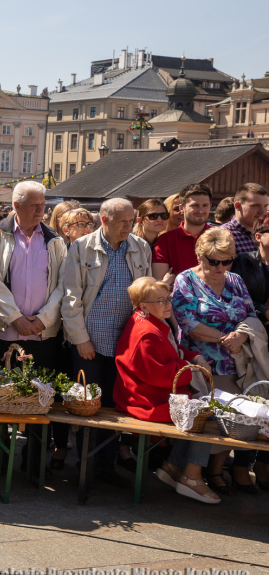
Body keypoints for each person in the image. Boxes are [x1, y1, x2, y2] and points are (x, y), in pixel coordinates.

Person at [62, 197, 152, 480]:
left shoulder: (140, 247)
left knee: (115, 406)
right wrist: (80, 339)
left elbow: (145, 294)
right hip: (91, 340)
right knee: (88, 406)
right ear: (104, 220)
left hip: (126, 342)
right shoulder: (82, 247)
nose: (129, 226)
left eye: (131, 221)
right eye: (123, 222)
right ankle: (85, 467)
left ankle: (107, 467)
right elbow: (71, 297)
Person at [0, 181, 68, 468]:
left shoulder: (54, 240)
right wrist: (15, 317)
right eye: (34, 205)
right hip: (6, 332)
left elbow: (62, 286)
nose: (41, 210)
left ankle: (33, 463)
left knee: (40, 400)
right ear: (16, 206)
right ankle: (1, 459)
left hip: (43, 335)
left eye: (43, 205)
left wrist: (42, 320)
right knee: (2, 396)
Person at [114, 277, 219, 504]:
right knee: (206, 416)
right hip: (146, 401)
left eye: (168, 298)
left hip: (150, 394)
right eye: (160, 300)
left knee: (201, 412)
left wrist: (194, 358)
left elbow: (171, 353)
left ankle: (172, 467)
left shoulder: (150, 321)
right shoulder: (146, 332)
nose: (167, 304)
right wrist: (193, 369)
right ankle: (191, 477)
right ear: (143, 306)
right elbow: (160, 373)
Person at [172, 228, 257, 495]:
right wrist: (224, 338)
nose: (220, 267)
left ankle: (214, 471)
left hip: (236, 363)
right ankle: (190, 475)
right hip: (202, 364)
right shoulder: (186, 279)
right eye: (213, 261)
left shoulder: (235, 280)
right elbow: (188, 324)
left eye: (226, 260)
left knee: (232, 421)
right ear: (200, 255)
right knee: (206, 423)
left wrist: (241, 336)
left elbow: (251, 314)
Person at [229, 214, 269, 490]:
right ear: (259, 236)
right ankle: (241, 464)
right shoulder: (244, 263)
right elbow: (238, 301)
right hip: (251, 342)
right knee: (253, 403)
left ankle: (265, 465)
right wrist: (265, 312)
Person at [153, 183, 212, 283]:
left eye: (205, 205)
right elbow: (161, 283)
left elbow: (224, 277)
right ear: (181, 208)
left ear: (210, 206)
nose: (201, 210)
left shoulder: (221, 236)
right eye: (195, 205)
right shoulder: (165, 240)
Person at [220, 183, 268, 255]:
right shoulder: (222, 235)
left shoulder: (266, 234)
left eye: (265, 206)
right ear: (238, 206)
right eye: (255, 206)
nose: (262, 211)